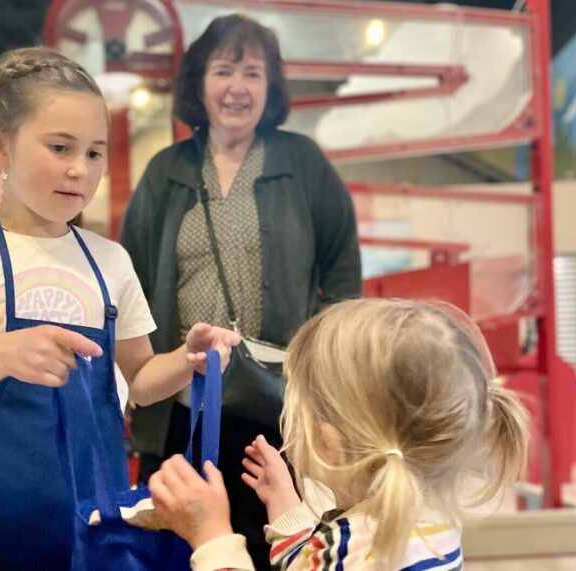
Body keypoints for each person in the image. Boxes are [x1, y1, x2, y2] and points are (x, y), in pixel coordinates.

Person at [0, 47, 240, 571]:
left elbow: (137, 379)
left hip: (96, 524)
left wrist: (188, 360)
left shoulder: (110, 260)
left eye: (95, 153)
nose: (79, 169)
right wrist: (1, 354)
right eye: (59, 147)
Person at [120, 14, 361, 568]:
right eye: (223, 70)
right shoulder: (165, 171)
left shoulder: (302, 164)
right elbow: (128, 283)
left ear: (271, 87)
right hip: (183, 400)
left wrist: (319, 364)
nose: (237, 87)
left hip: (278, 403)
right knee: (176, 538)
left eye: (252, 73)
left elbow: (343, 274)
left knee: (276, 534)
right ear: (199, 83)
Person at [149, 298, 530, 570]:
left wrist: (212, 536)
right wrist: (287, 508)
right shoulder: (431, 526)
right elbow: (315, 560)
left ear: (328, 444)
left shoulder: (349, 550)